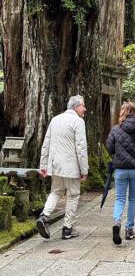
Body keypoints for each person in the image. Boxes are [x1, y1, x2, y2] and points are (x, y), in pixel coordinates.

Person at [36, 95, 89, 240]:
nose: (85, 109)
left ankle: (44, 216)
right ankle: (67, 228)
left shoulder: (55, 119)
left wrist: (43, 165)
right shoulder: (78, 121)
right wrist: (84, 169)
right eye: (83, 106)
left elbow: (46, 143)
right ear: (76, 107)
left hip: (55, 165)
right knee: (72, 195)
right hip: (71, 166)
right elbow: (81, 147)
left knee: (56, 191)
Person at [106, 101, 135, 245]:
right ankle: (129, 229)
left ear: (123, 113)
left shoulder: (115, 129)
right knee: (132, 199)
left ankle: (116, 221)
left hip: (120, 169)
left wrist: (117, 153)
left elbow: (109, 146)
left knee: (120, 198)